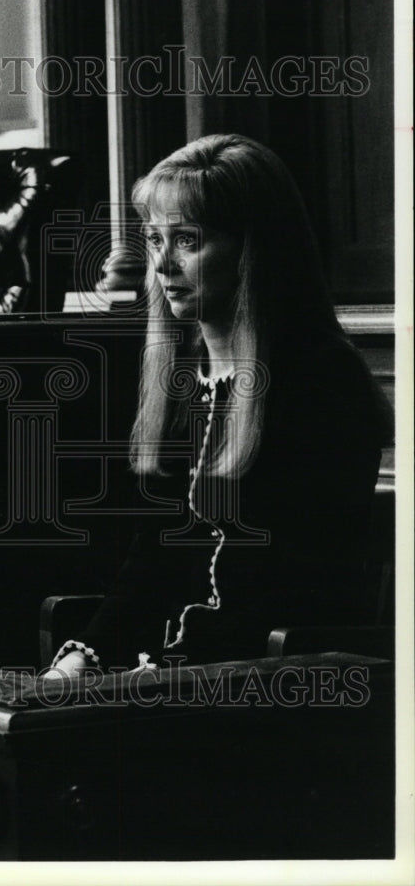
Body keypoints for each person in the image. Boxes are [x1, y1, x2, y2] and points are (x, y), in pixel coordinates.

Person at [50, 134, 392, 679]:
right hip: (176, 674)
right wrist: (81, 658)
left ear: (253, 249)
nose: (163, 265)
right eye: (155, 240)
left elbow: (286, 587)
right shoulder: (185, 380)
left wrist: (160, 673)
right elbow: (155, 560)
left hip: (274, 682)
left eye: (187, 240)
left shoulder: (320, 382)